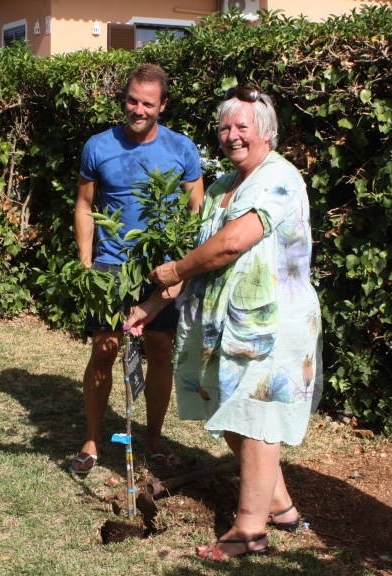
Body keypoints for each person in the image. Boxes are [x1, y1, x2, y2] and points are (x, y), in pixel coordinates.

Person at [125, 86, 322, 561]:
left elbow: (233, 243)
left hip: (270, 325)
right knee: (233, 414)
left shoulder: (279, 178)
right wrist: (153, 304)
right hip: (224, 325)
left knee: (255, 418)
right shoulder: (218, 189)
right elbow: (201, 261)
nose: (231, 136)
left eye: (242, 128)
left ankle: (249, 531)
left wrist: (173, 269)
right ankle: (280, 506)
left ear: (266, 133)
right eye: (224, 128)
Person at [71, 63, 205, 475]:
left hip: (161, 267)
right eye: (132, 100)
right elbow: (84, 206)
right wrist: (86, 263)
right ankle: (93, 441)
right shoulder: (97, 146)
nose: (138, 109)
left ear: (162, 105)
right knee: (105, 348)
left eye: (148, 103)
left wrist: (182, 266)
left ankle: (154, 440)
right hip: (111, 265)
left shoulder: (182, 148)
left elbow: (196, 211)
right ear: (124, 98)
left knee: (160, 349)